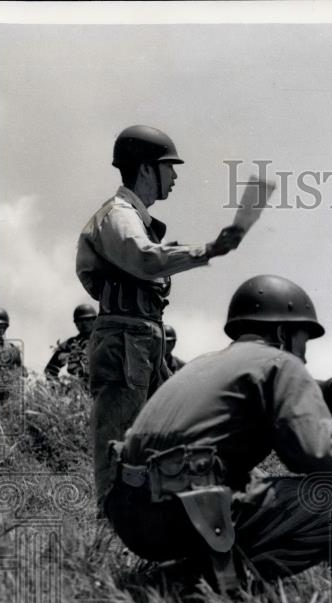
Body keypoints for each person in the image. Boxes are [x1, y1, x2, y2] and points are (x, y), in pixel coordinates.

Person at [103, 276, 332, 591]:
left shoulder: (203, 364)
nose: (303, 356)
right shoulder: (280, 363)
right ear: (282, 333)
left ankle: (177, 578)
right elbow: (312, 452)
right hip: (182, 512)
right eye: (304, 342)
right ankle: (211, 586)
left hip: (129, 511)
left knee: (255, 479)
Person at [77, 125, 245, 509]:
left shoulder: (132, 218)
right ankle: (110, 527)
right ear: (147, 169)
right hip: (126, 337)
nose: (175, 175)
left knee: (172, 431)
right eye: (170, 166)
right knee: (118, 437)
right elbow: (145, 259)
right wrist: (205, 250)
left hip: (140, 336)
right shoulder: (118, 215)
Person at [45, 304, 96, 382]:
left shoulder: (105, 341)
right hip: (80, 388)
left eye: (88, 320)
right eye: (80, 321)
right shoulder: (69, 344)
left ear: (95, 320)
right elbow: (50, 370)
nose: (84, 323)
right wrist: (58, 389)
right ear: (76, 323)